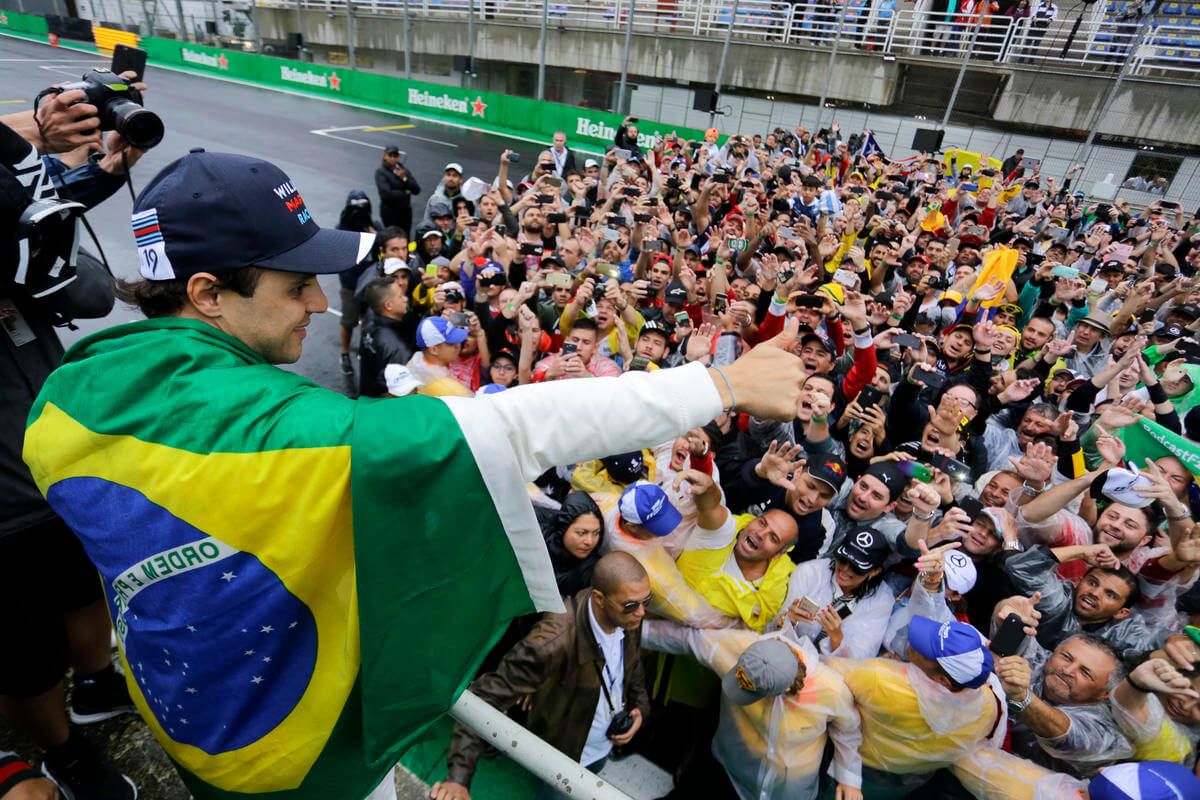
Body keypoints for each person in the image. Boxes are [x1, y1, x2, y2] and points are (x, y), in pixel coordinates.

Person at [23, 150, 808, 800]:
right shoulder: (280, 436)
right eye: (294, 284)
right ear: (207, 294)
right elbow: (510, 428)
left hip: (176, 700)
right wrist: (719, 386)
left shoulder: (68, 396)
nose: (319, 306)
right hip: (283, 758)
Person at [1, 87, 148, 800]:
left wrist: (105, 168)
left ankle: (94, 684)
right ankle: (61, 747)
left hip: (54, 455)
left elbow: (35, 212)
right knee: (24, 653)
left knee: (81, 585)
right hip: (2, 504)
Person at [432, 552, 654, 800]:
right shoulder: (552, 641)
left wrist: (640, 709)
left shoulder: (627, 618)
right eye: (631, 605)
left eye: (647, 600)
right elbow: (484, 698)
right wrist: (458, 779)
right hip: (564, 758)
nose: (642, 612)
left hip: (600, 747)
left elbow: (633, 668)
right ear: (599, 598)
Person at [640, 625, 863, 800]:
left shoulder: (832, 691)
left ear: (783, 691)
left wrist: (849, 778)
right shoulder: (739, 646)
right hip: (727, 772)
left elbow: (848, 731)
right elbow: (687, 639)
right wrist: (627, 628)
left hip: (787, 794)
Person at [828, 616, 1005, 797]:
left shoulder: (879, 679)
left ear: (942, 680)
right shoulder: (988, 708)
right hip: (908, 781)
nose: (914, 643)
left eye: (926, 651)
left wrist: (837, 640)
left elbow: (823, 674)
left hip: (853, 767)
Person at [534, 491, 606, 598]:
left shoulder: (591, 568)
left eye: (596, 533)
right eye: (581, 533)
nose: (589, 541)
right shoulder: (536, 541)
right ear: (563, 529)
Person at [359, 278, 414, 398]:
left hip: (366, 396)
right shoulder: (397, 349)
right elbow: (396, 392)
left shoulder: (369, 318)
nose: (406, 299)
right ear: (388, 305)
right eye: (400, 296)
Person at [375, 145, 420, 234]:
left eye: (395, 156)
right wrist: (406, 193)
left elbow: (416, 190)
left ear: (398, 157)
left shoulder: (404, 171)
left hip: (405, 213)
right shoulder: (380, 172)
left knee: (405, 236)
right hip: (390, 213)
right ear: (385, 156)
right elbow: (386, 194)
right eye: (390, 155)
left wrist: (404, 178)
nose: (392, 158)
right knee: (392, 237)